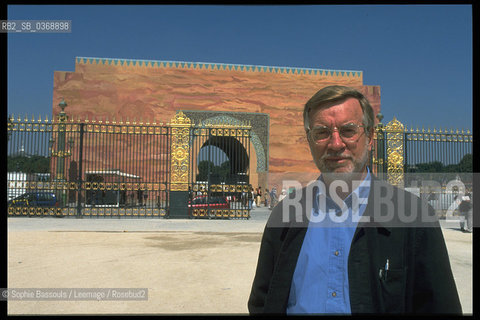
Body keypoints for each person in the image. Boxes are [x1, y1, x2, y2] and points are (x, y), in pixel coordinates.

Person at [248, 85, 461, 314]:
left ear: (369, 137)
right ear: (309, 141)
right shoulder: (286, 215)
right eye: (321, 132)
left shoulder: (414, 217)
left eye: (348, 130)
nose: (336, 144)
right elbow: (263, 301)